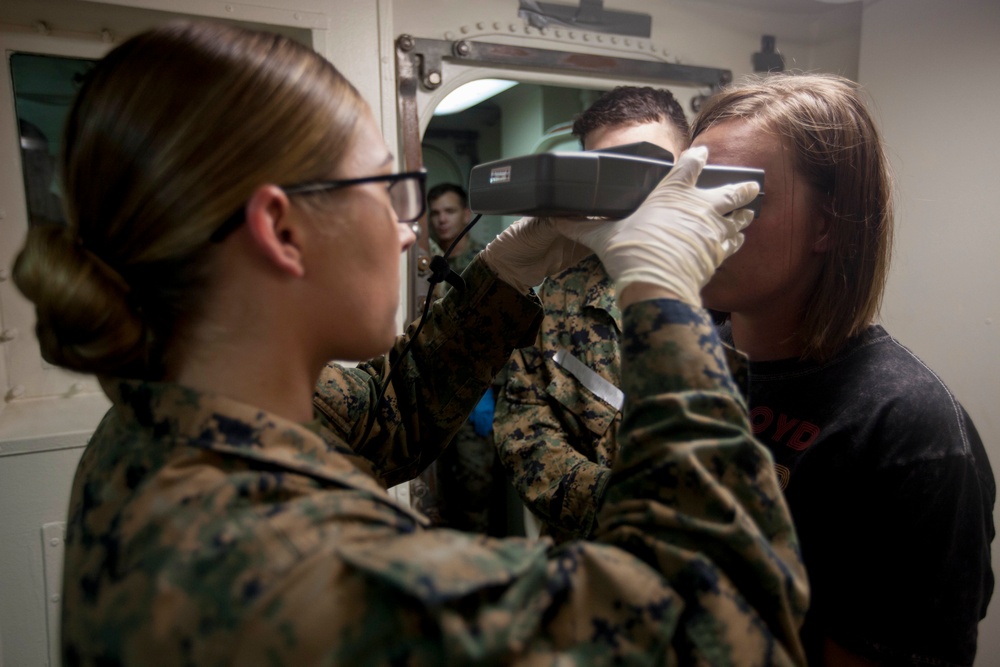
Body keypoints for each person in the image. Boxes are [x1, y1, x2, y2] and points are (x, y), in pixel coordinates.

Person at [12, 21, 809, 664]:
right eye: (388, 188)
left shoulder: (169, 416)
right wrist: (667, 298)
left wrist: (502, 272)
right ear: (283, 230)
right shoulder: (311, 573)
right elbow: (728, 620)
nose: (407, 228)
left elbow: (393, 413)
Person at [688, 72, 994, 666]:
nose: (699, 219)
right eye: (690, 190)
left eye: (733, 194)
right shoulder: (695, 360)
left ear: (828, 224)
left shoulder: (907, 429)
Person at [494, 86, 693, 542]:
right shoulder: (561, 290)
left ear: (689, 165)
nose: (636, 190)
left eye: (650, 167)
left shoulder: (732, 291)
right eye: (614, 172)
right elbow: (523, 429)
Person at [411, 183, 503, 533]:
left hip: (474, 395)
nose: (442, 220)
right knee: (438, 495)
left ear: (466, 215)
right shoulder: (428, 266)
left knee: (475, 494)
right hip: (434, 396)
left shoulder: (486, 262)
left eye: (449, 212)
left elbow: (497, 332)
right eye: (435, 213)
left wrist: (488, 390)